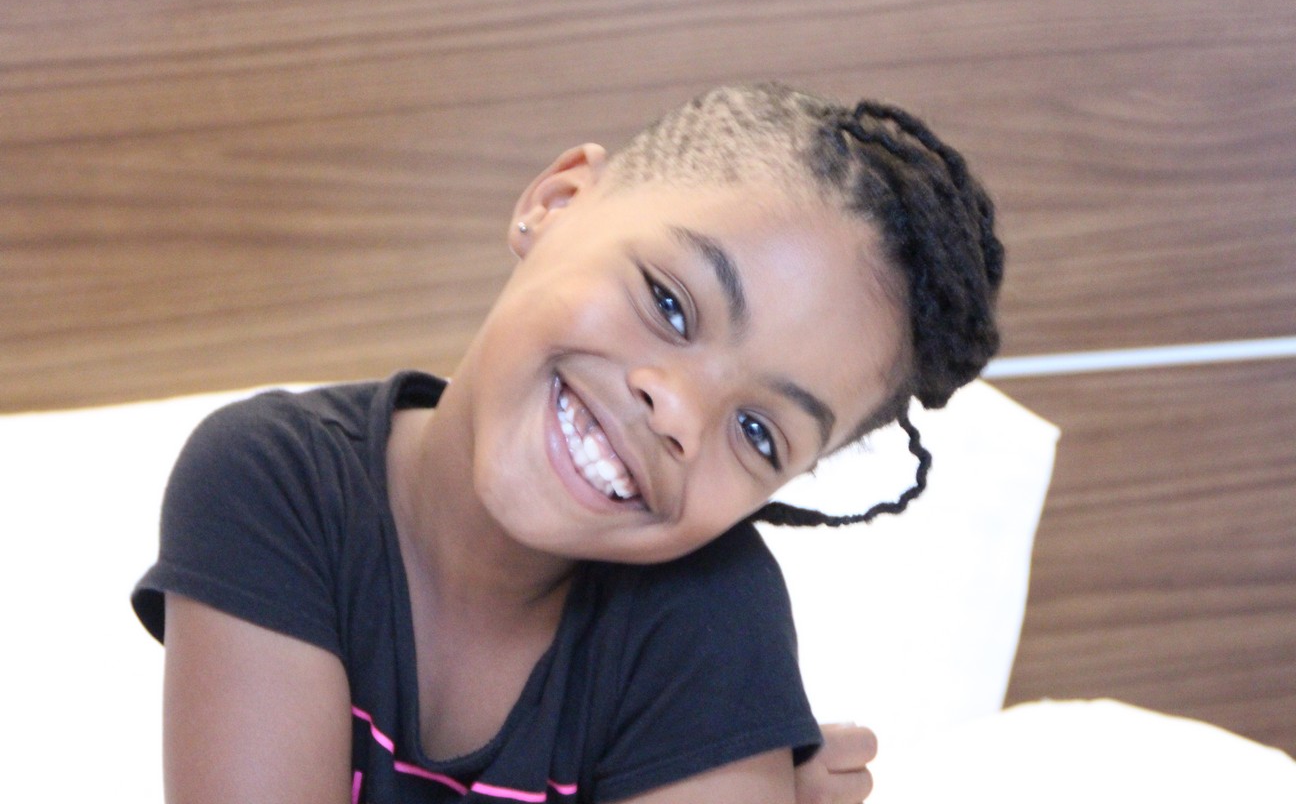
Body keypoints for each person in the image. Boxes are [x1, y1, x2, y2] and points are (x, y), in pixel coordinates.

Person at [132, 82, 1002, 803]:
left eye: (756, 432)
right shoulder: (277, 483)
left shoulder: (709, 618)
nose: (677, 413)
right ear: (554, 204)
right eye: (670, 304)